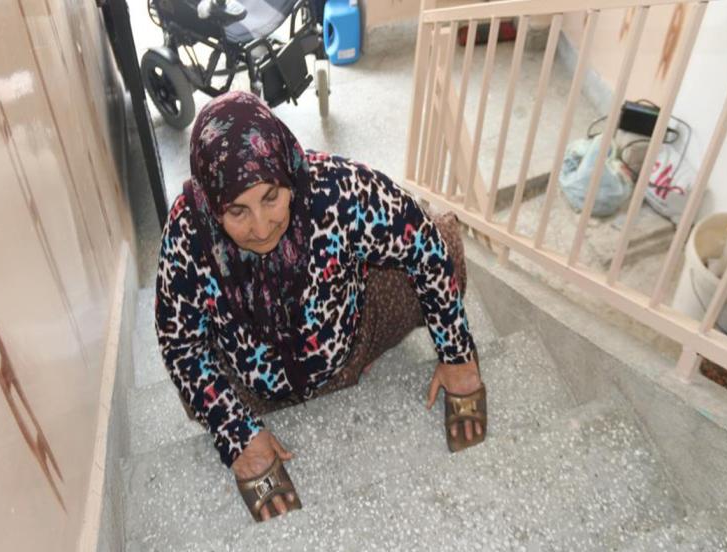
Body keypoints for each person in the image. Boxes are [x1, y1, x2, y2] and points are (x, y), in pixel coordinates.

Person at [155, 91, 487, 523]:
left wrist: (457, 354)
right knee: (194, 384)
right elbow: (180, 345)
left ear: (286, 173)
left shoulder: (335, 188)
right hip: (253, 390)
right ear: (210, 204)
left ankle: (372, 356)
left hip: (353, 343)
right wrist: (236, 433)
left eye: (271, 197)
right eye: (237, 211)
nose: (261, 227)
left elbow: (423, 247)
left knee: (443, 248)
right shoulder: (187, 232)